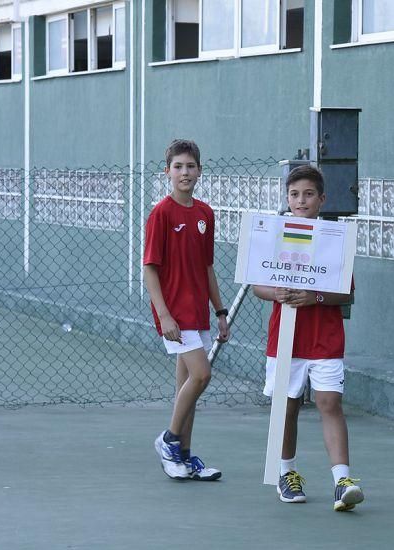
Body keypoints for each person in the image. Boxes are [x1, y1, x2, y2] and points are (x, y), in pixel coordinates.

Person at [252, 165, 364, 512]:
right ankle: (287, 473)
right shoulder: (274, 235)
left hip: (325, 338)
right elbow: (259, 286)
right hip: (286, 337)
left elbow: (346, 292)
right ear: (287, 199)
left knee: (330, 403)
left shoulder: (335, 238)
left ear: (322, 199)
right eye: (295, 194)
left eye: (309, 194)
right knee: (287, 407)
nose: (301, 200)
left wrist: (313, 296)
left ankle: (342, 481)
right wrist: (278, 292)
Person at [144, 139, 230, 481]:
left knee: (187, 388)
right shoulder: (161, 214)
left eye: (190, 166)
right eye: (178, 166)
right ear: (167, 172)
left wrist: (221, 311)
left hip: (199, 313)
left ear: (199, 171)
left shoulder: (205, 214)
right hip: (175, 315)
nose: (185, 172)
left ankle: (184, 457)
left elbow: (207, 268)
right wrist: (164, 315)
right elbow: (150, 269)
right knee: (202, 375)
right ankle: (168, 440)